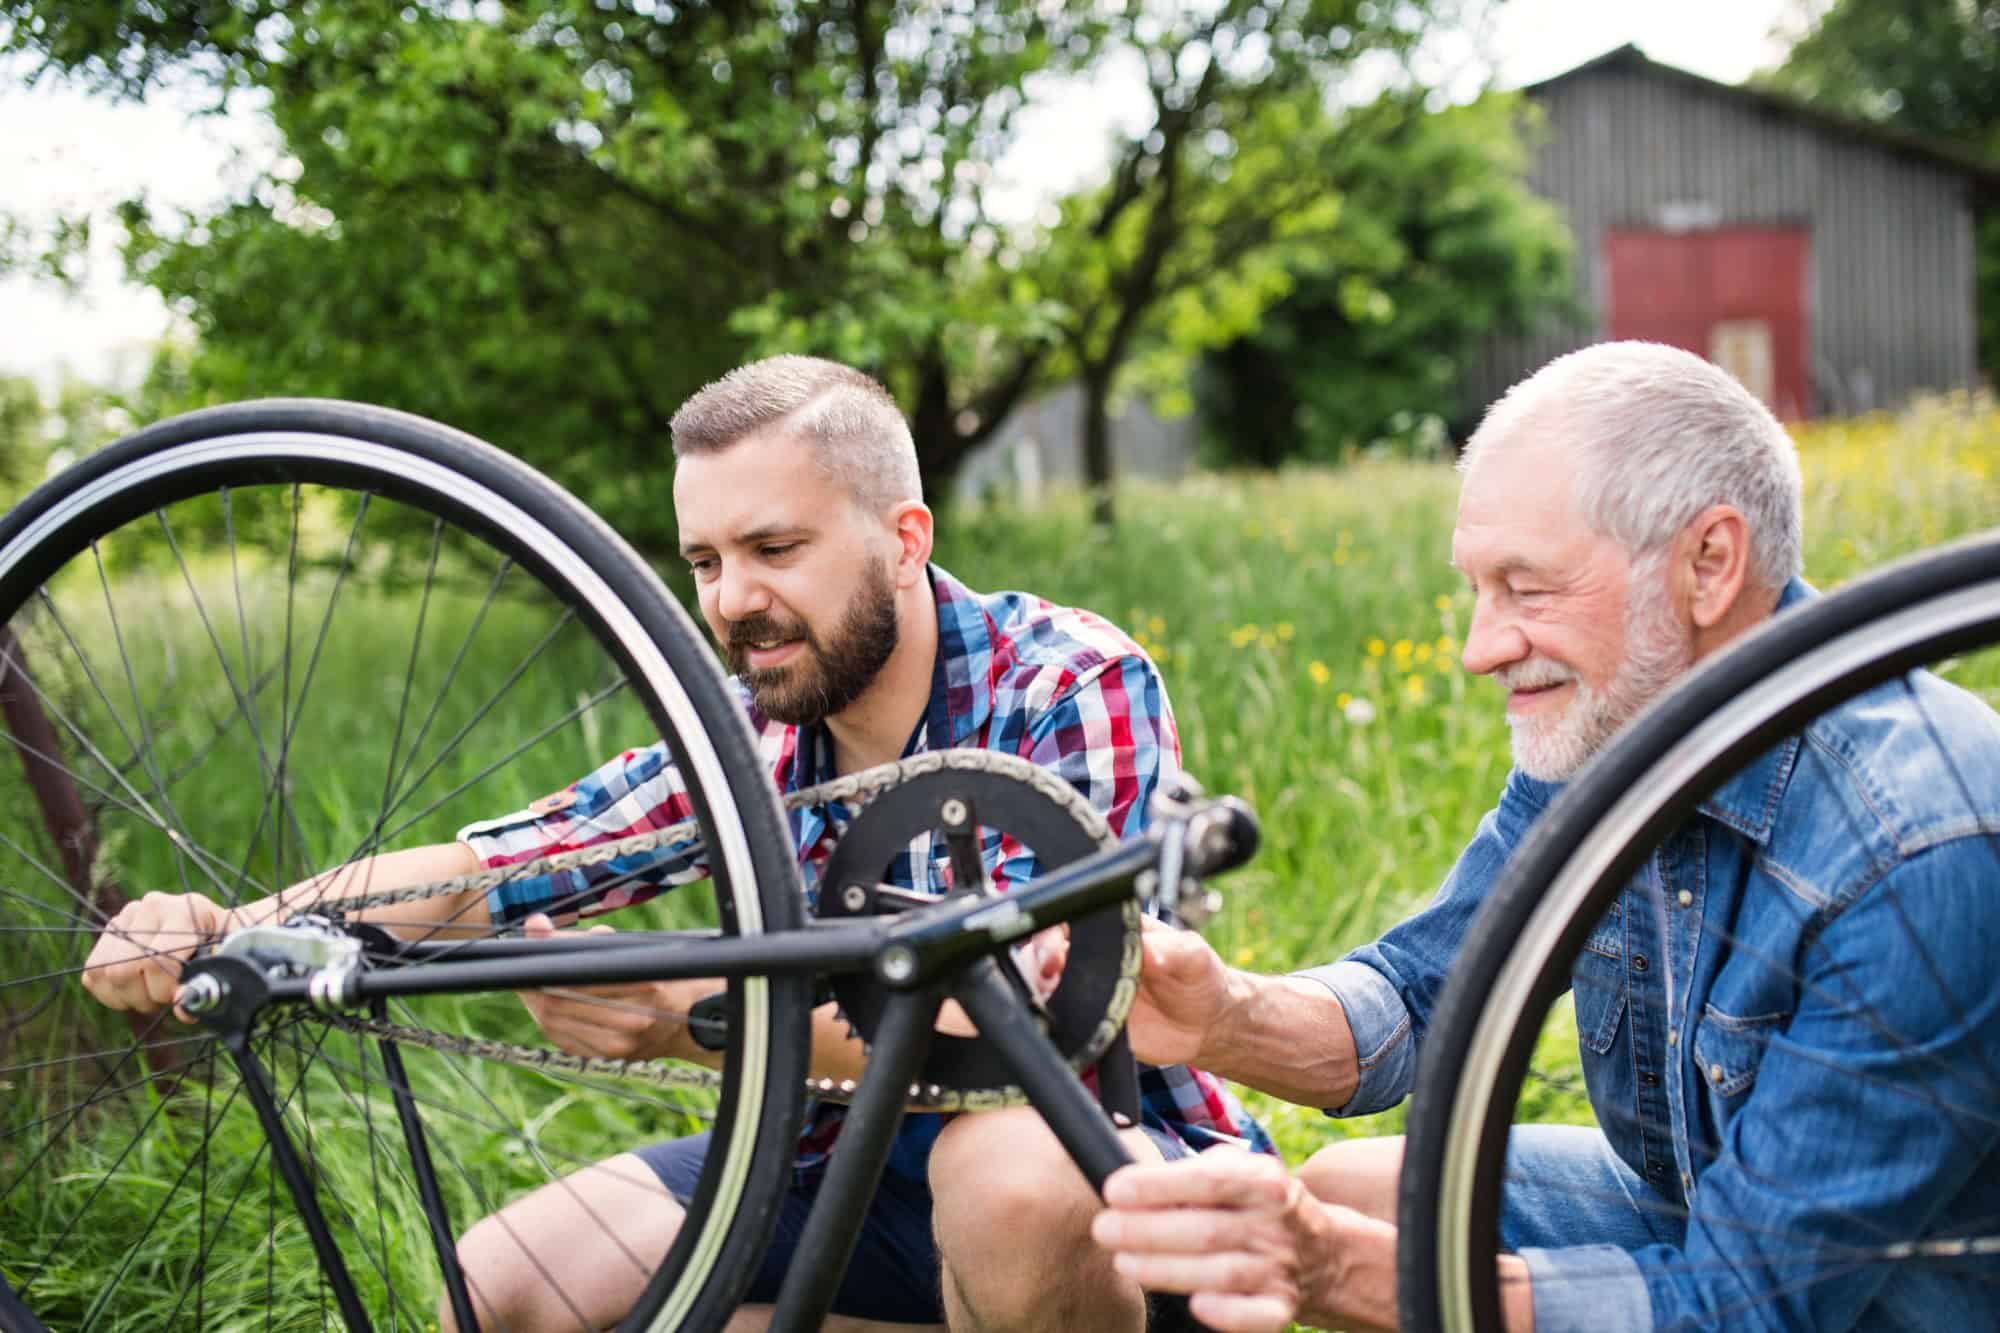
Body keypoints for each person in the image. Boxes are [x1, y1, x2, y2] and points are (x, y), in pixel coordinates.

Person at [81, 354, 1271, 1333]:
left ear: (903, 537)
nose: (731, 601)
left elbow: (1020, 1027)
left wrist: (682, 1015)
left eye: (773, 550)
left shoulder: (1067, 680)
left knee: (1005, 1182)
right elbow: (511, 865)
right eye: (704, 562)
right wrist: (239, 933)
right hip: (825, 1155)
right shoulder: (752, 727)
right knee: (495, 1294)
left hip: (1095, 1169)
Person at [1090, 340, 2000, 1332]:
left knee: (1364, 1244)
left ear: (1706, 563)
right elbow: (1421, 993)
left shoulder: (1913, 850)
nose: (1480, 648)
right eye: (1476, 589)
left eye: (1525, 590)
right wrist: (1217, 1012)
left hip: (1899, 1300)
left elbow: (1743, 1311)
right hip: (1716, 1216)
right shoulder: (1615, 732)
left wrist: (1330, 1270)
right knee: (1358, 1192)